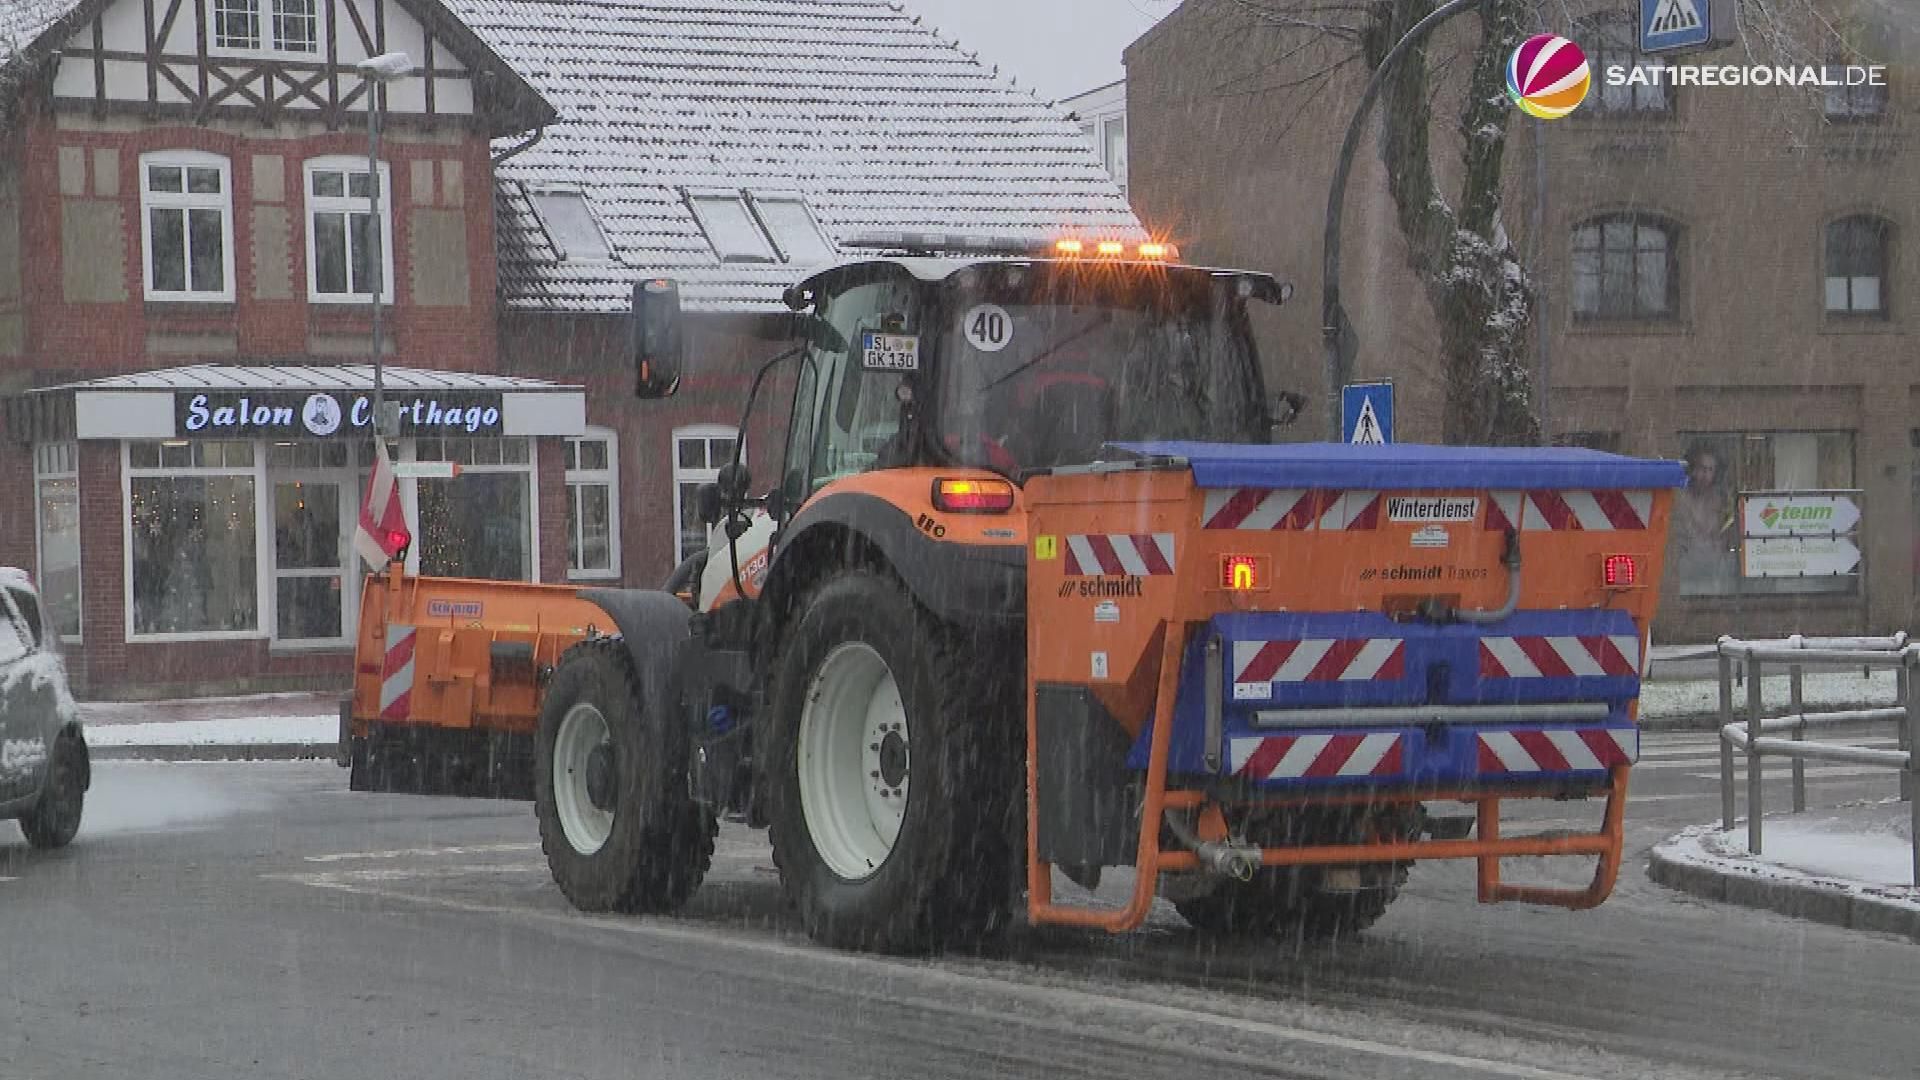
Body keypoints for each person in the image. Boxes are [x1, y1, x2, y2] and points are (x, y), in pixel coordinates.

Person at [1674, 445, 1734, 594]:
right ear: (1693, 470)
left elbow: (1724, 535)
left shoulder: (1719, 500)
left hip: (1714, 573)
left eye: (1710, 470)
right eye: (1702, 469)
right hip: (1685, 573)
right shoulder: (1679, 498)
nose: (1705, 475)